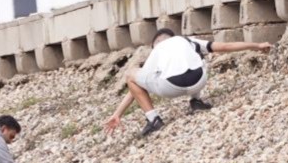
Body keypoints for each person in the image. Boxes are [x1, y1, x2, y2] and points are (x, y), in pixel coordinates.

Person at [104, 28, 273, 139]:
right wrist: (257, 45)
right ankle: (196, 101)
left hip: (171, 87)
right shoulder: (187, 40)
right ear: (172, 37)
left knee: (131, 74)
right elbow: (225, 46)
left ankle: (154, 120)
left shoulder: (157, 50)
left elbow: (136, 85)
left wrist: (118, 113)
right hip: (199, 80)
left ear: (156, 43)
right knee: (198, 55)